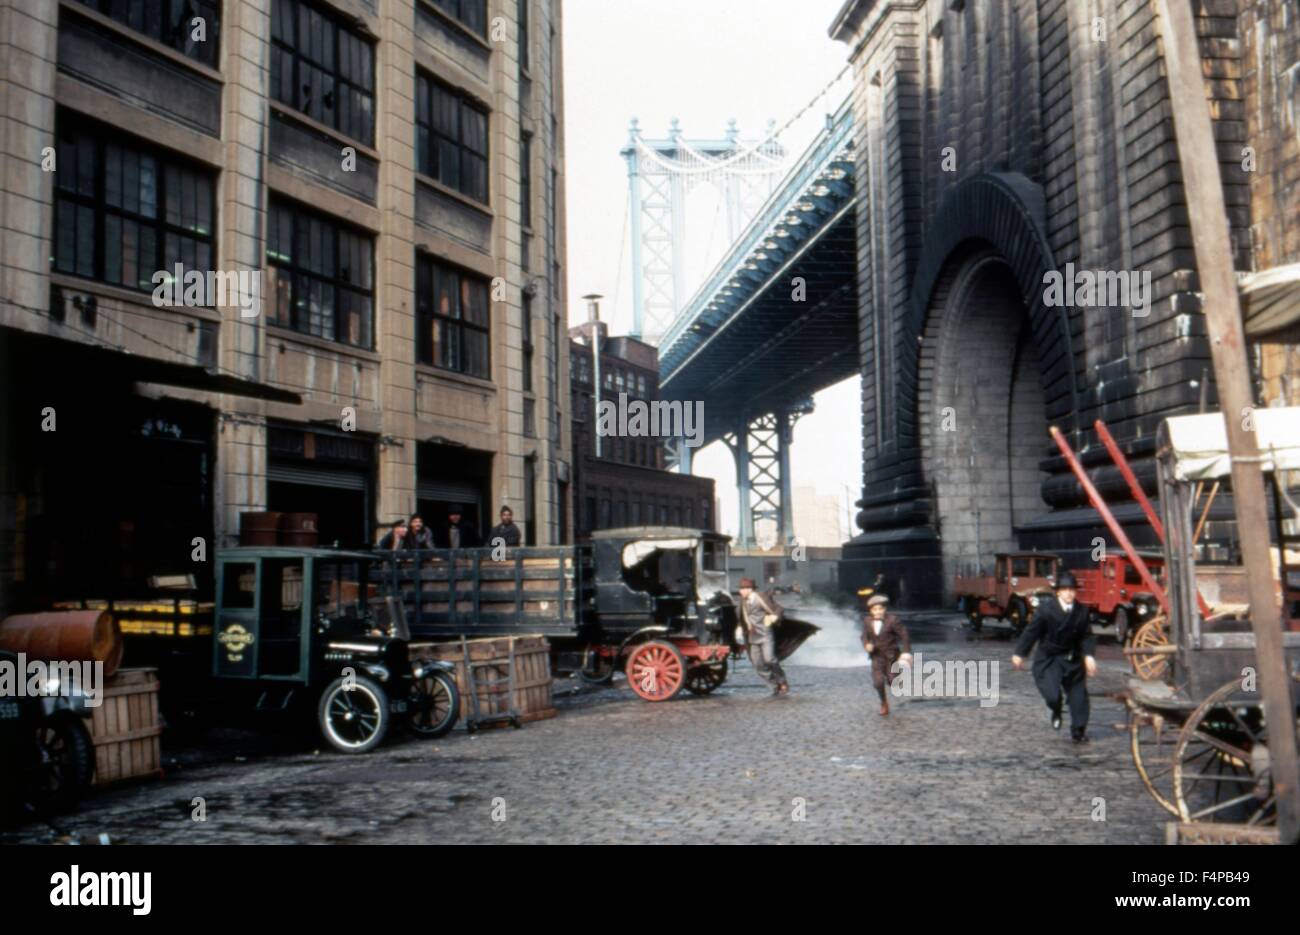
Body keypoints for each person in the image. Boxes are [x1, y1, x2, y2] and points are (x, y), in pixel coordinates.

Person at [1011, 571, 1097, 744]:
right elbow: (1031, 632)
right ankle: (1056, 709)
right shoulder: (1046, 610)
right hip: (1049, 658)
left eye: (1072, 589)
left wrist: (1089, 656)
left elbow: (1087, 635)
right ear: (1058, 591)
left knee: (1078, 696)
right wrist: (1020, 653)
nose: (1069, 593)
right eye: (1065, 589)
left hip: (1072, 657)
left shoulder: (1082, 611)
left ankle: (1078, 730)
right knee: (1052, 695)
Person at [736, 576, 789, 696]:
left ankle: (782, 680)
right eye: (740, 589)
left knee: (769, 659)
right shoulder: (743, 601)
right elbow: (740, 616)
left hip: (765, 634)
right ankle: (774, 685)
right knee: (757, 664)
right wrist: (739, 627)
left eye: (743, 589)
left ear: (750, 589)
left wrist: (774, 617)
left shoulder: (761, 597)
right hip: (753, 636)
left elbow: (779, 609)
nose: (740, 591)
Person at [861, 594, 912, 716]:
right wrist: (866, 644)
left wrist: (905, 652)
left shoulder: (893, 620)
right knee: (877, 682)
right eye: (875, 609)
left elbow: (904, 635)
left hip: (891, 656)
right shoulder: (867, 621)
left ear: (884, 609)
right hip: (876, 656)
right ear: (871, 611)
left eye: (880, 609)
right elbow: (864, 636)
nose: (878, 612)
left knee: (893, 681)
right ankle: (884, 703)